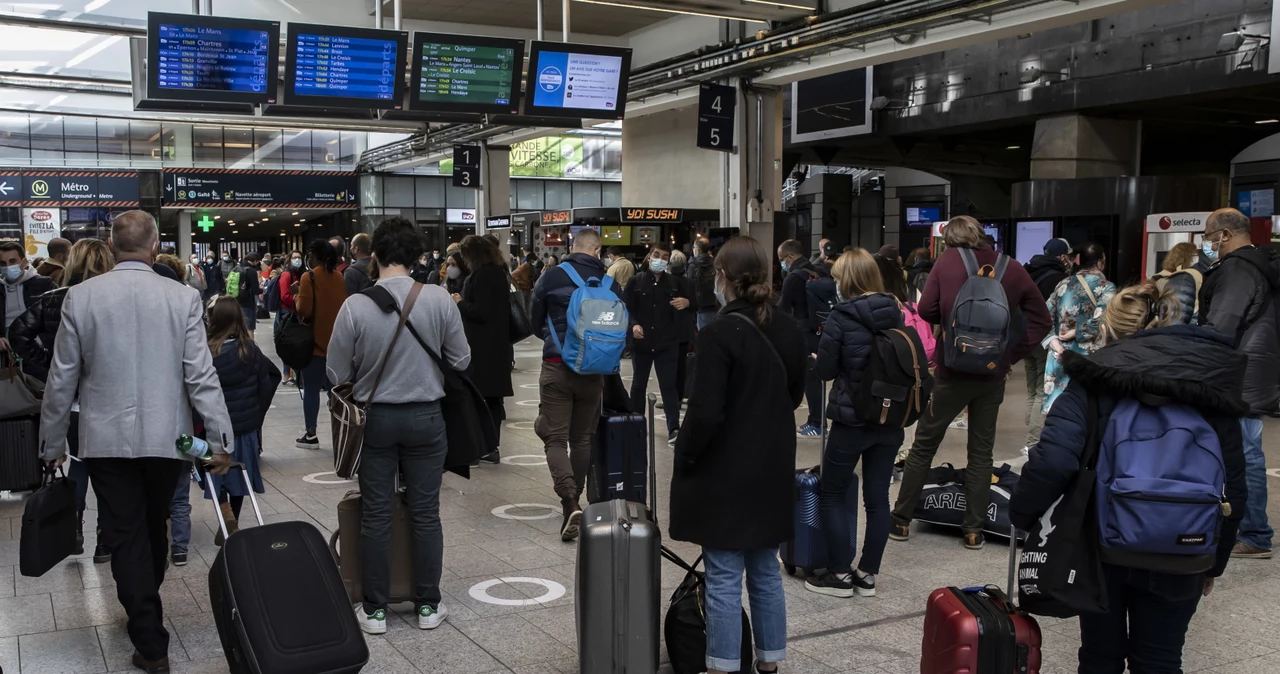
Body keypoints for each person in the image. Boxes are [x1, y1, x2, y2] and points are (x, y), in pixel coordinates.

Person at [1010, 283, 1247, 674]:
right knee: (1160, 660)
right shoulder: (1210, 388)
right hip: (1185, 546)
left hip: (1102, 545)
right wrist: (1213, 562)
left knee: (1100, 657)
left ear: (1110, 331)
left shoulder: (1092, 382)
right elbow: (1235, 485)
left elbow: (1053, 461)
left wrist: (1021, 515)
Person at [38, 210, 234, 674]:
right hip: (170, 438)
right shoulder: (183, 297)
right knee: (154, 522)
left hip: (103, 440)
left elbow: (61, 378)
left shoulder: (81, 297)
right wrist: (221, 439)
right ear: (154, 246)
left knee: (125, 532)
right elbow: (200, 375)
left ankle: (148, 633)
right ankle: (147, 615)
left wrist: (50, 443)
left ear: (111, 242)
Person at [669, 235, 807, 674]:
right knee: (765, 569)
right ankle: (769, 662)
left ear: (723, 277)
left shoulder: (717, 334)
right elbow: (794, 393)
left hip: (727, 469)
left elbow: (706, 414)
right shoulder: (787, 327)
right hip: (772, 463)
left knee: (725, 575)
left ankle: (724, 665)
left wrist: (687, 457)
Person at [327, 217, 470, 635]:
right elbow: (460, 360)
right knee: (426, 514)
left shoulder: (355, 305)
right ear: (417, 256)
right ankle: (428, 606)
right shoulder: (440, 299)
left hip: (375, 420)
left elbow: (336, 373)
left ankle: (374, 611)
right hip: (427, 417)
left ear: (374, 256)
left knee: (375, 515)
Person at [890, 216, 1051, 550]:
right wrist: (1010, 354)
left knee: (924, 444)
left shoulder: (947, 262)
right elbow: (1042, 319)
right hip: (992, 374)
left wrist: (951, 321)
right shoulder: (1012, 267)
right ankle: (973, 530)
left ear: (949, 238)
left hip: (952, 370)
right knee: (981, 451)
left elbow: (926, 308)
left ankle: (901, 520)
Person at [805, 249, 905, 599]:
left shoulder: (841, 316)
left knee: (832, 492)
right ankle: (867, 574)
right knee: (878, 498)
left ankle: (839, 574)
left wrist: (817, 358)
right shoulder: (896, 312)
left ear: (846, 280)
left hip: (851, 419)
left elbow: (828, 370)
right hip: (890, 417)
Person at [10, 238, 114, 560]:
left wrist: (49, 364)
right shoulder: (112, 299)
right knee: (110, 470)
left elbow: (18, 333)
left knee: (79, 466)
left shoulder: (54, 298)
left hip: (72, 402)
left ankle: (75, 529)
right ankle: (105, 538)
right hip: (109, 397)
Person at [1198, 207, 1280, 559]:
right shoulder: (1262, 263)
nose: (1207, 242)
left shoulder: (1238, 269)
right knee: (1245, 450)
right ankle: (1248, 527)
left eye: (1208, 235)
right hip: (1256, 370)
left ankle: (1255, 533)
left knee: (1244, 453)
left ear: (1225, 235)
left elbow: (1222, 323)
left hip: (1239, 374)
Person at [531, 228, 619, 541]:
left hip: (557, 366)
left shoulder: (552, 277)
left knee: (555, 438)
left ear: (573, 247)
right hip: (594, 371)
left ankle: (569, 502)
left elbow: (533, 319)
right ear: (598, 251)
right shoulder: (610, 283)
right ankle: (575, 499)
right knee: (582, 438)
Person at [201, 296, 278, 549]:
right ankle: (231, 517)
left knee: (211, 472)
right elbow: (271, 377)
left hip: (213, 428)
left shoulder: (206, 352)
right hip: (244, 427)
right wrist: (257, 412)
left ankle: (226, 515)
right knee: (238, 475)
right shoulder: (250, 350)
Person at [623, 243, 693, 445]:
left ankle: (674, 428)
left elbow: (695, 302)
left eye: (664, 256)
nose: (660, 259)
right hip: (642, 343)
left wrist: (687, 303)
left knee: (668, 386)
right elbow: (626, 308)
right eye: (656, 255)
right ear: (648, 256)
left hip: (667, 342)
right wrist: (634, 325)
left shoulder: (675, 283)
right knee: (638, 385)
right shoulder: (635, 282)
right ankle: (635, 424)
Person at [454, 234, 512, 464]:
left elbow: (480, 312)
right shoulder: (499, 272)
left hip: (479, 348)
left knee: (477, 398)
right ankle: (491, 445)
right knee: (493, 400)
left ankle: (482, 446)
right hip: (497, 346)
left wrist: (460, 302)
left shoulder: (481, 276)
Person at [1041, 243, 1115, 415]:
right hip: (1090, 358)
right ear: (1100, 262)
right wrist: (1078, 332)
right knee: (1086, 412)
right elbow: (1105, 319)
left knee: (1059, 412)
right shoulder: (1106, 287)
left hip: (1060, 358)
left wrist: (1057, 346)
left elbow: (1043, 318)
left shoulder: (1063, 284)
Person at [293, 240, 348, 449]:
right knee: (336, 392)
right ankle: (341, 432)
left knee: (312, 390)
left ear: (314, 256)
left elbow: (304, 310)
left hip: (314, 343)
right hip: (336, 344)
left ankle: (311, 434)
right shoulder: (339, 277)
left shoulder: (310, 277)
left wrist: (297, 293)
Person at [1020, 238, 1072, 453]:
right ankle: (1032, 441)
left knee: (1032, 390)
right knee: (1044, 390)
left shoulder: (1027, 272)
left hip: (1024, 337)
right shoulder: (1059, 279)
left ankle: (1029, 435)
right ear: (1062, 257)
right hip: (1044, 338)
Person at [775, 238, 827, 438]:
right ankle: (817, 420)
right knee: (816, 376)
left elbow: (783, 308)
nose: (781, 263)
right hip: (821, 329)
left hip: (803, 332)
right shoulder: (818, 271)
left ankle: (817, 422)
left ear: (790, 256)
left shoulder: (794, 277)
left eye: (782, 259)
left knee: (809, 379)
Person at [0, 240, 56, 341]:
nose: (7, 266)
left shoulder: (44, 285)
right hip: (5, 346)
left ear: (24, 262)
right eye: (3, 263)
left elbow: (55, 318)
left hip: (37, 344)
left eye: (12, 261)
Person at [688, 237, 719, 330]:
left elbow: (689, 286)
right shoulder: (715, 263)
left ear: (697, 250)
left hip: (700, 307)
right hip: (716, 305)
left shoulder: (693, 266)